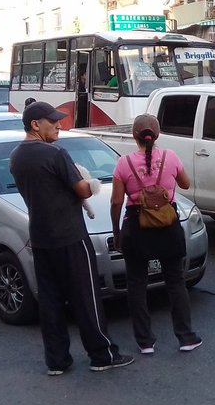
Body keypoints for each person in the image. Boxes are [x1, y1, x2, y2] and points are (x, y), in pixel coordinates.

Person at [10, 101, 133, 374]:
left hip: (41, 237)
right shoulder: (56, 154)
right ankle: (101, 354)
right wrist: (89, 182)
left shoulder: (17, 156)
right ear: (35, 124)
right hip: (70, 235)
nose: (58, 125)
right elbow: (82, 191)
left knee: (50, 300)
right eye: (52, 121)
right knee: (86, 296)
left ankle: (57, 360)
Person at [111, 114, 201, 354]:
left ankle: (145, 341)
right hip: (167, 225)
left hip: (136, 227)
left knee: (136, 284)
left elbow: (116, 202)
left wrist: (117, 232)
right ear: (158, 134)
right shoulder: (170, 157)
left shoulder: (123, 163)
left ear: (134, 136)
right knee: (175, 281)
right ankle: (186, 336)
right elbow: (185, 184)